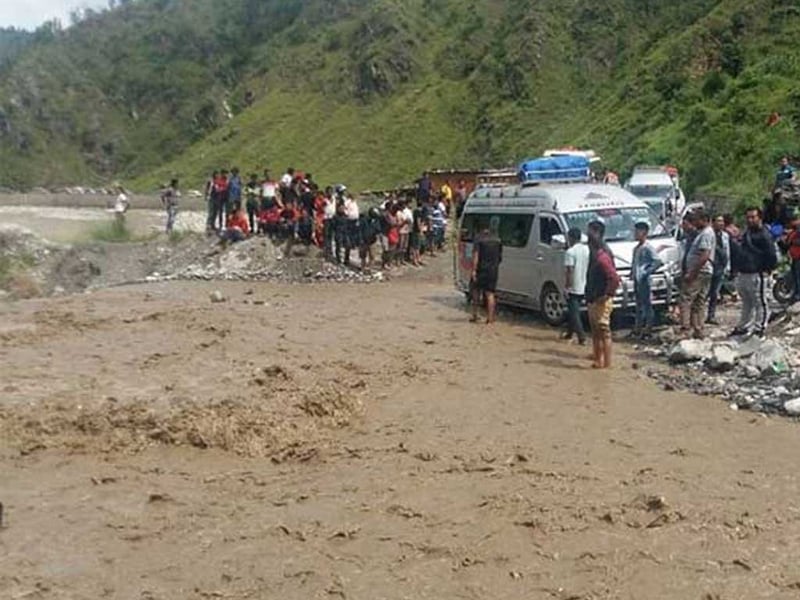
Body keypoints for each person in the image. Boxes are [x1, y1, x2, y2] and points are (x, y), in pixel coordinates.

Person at [730, 207, 778, 337]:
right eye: (748, 217)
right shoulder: (747, 233)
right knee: (746, 302)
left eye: (753, 217)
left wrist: (767, 270)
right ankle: (743, 326)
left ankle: (759, 328)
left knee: (760, 301)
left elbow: (771, 255)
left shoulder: (764, 235)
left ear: (759, 218)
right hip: (744, 272)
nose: (750, 220)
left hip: (757, 273)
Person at [585, 221, 620, 369]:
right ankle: (598, 358)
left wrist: (607, 294)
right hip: (593, 297)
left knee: (604, 331)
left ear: (597, 234)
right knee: (595, 331)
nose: (587, 235)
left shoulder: (602, 256)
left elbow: (614, 278)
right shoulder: (595, 253)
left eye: (590, 232)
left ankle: (606, 363)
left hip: (601, 299)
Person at [679, 210, 715, 339]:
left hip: (700, 272)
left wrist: (692, 273)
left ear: (704, 219)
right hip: (704, 271)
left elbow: (704, 255)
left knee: (686, 298)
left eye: (697, 220)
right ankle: (698, 328)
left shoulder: (706, 234)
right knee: (699, 301)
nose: (695, 223)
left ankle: (685, 328)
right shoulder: (703, 233)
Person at [631, 221, 663, 338]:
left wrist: (646, 272)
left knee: (647, 304)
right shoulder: (636, 248)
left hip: (644, 280)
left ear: (644, 232)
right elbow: (634, 263)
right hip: (637, 280)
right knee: (638, 304)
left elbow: (657, 261)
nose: (635, 234)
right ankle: (638, 327)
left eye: (637, 231)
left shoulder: (648, 248)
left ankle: (648, 328)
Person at [470, 217, 503, 325]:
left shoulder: (478, 239)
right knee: (490, 294)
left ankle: (475, 315)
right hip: (493, 270)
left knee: (476, 291)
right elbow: (500, 258)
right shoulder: (497, 240)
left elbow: (476, 256)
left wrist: (473, 270)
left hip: (481, 269)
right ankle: (490, 319)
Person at [562, 227, 589, 345]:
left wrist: (567, 287)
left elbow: (570, 271)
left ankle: (581, 336)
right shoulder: (587, 250)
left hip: (575, 286)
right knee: (572, 310)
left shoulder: (570, 252)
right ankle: (569, 333)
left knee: (574, 312)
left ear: (571, 238)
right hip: (585, 284)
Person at [706, 215, 731, 325]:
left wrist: (727, 266)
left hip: (720, 266)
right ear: (713, 222)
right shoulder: (708, 234)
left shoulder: (725, 236)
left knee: (715, 293)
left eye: (722, 221)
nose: (721, 223)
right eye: (718, 221)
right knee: (704, 293)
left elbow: (727, 251)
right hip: (710, 265)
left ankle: (711, 315)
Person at [786, 215, 800, 303]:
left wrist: (793, 241)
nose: (791, 223)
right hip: (794, 257)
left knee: (798, 276)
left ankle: (798, 294)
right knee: (795, 276)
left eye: (793, 221)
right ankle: (796, 293)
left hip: (798, 257)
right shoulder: (794, 231)